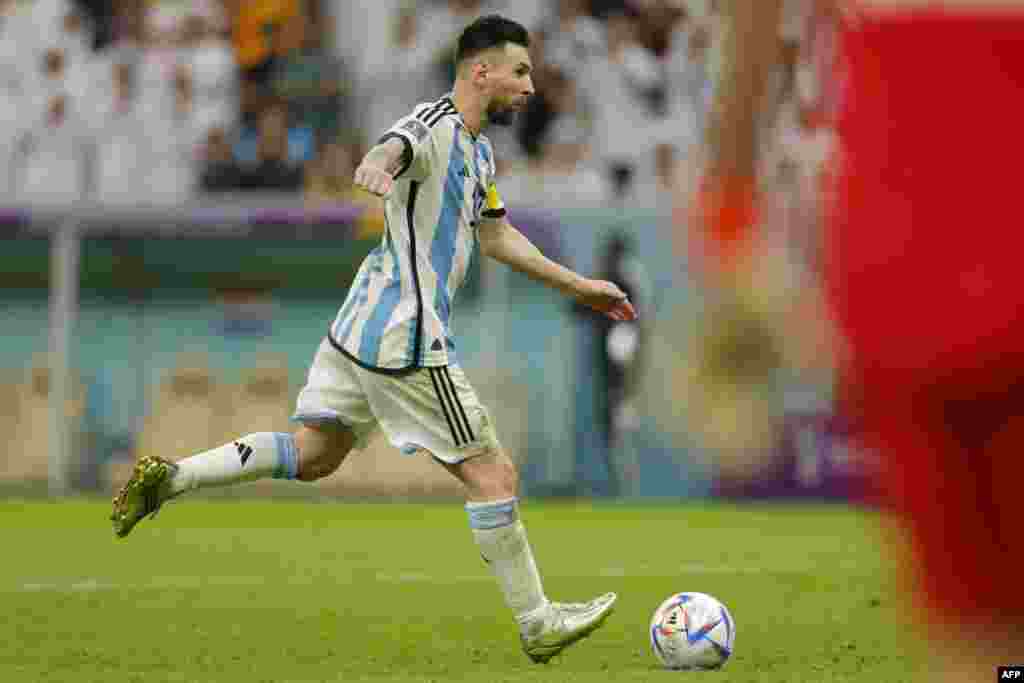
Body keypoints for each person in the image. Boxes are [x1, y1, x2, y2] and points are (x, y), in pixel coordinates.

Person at [110, 14, 635, 663]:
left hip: (359, 324)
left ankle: (175, 478)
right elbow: (394, 145)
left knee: (314, 453)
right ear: (481, 71)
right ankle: (537, 620)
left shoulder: (477, 150)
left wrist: (580, 285)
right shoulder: (436, 122)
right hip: (405, 333)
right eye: (520, 71)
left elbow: (494, 233)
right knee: (493, 473)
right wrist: (374, 164)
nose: (530, 86)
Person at [682, 2, 1024, 681]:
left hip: (907, 234)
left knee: (978, 645)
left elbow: (752, 23)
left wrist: (726, 217)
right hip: (917, 212)